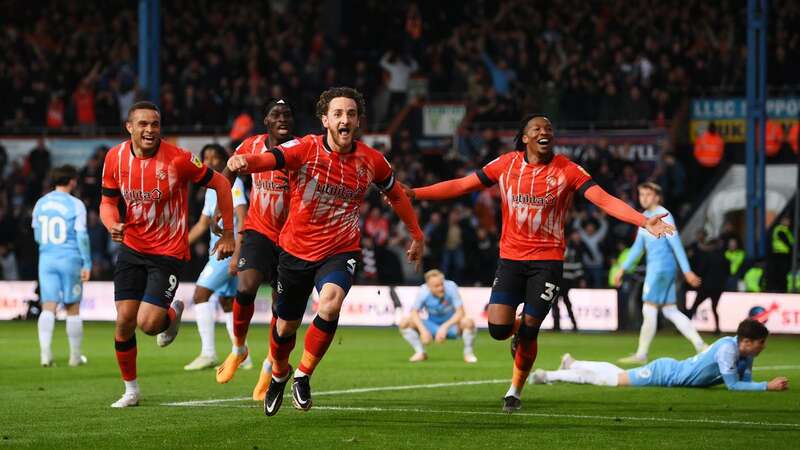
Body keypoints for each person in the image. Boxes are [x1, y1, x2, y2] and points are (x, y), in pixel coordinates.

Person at [405, 114, 675, 413]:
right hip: (510, 259)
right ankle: (517, 327)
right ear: (525, 137)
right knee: (497, 329)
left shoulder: (567, 170)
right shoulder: (506, 164)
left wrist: (642, 220)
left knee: (531, 330)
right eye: (537, 128)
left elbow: (604, 199)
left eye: (549, 128)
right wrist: (417, 193)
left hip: (547, 261)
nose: (544, 132)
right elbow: (463, 185)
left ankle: (514, 390)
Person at [227, 87, 425, 416]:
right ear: (325, 120)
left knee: (330, 303)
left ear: (358, 121)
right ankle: (279, 373)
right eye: (338, 114)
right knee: (284, 327)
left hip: (340, 248)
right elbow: (272, 158)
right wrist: (246, 161)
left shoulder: (372, 159)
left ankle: (303, 375)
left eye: (350, 114)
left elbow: (398, 195)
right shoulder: (304, 148)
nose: (344, 119)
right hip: (294, 250)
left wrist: (416, 235)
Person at [100, 101, 235, 408]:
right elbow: (107, 202)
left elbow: (222, 184)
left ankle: (171, 315)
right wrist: (112, 224)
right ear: (129, 127)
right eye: (144, 124)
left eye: (155, 124)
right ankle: (131, 391)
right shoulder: (114, 158)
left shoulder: (178, 160)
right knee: (123, 321)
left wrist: (228, 233)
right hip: (132, 247)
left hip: (167, 251)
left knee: (148, 324)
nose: (150, 130)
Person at [213, 100, 296, 404]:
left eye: (287, 114)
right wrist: (222, 210)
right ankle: (238, 349)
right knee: (245, 288)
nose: (282, 118)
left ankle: (270, 365)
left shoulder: (301, 150)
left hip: (292, 239)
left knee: (282, 309)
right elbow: (227, 174)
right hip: (259, 231)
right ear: (266, 121)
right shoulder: (251, 144)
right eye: (276, 114)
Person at [530, 319, 789, 392]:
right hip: (665, 373)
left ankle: (573, 363)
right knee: (609, 380)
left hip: (672, 370)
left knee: (614, 374)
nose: (763, 347)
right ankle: (548, 375)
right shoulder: (727, 349)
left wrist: (758, 385)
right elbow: (734, 386)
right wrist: (767, 386)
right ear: (746, 341)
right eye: (760, 343)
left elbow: (745, 379)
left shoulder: (744, 351)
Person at [614, 182, 705, 364]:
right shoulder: (645, 218)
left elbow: (676, 244)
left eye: (648, 194)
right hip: (663, 269)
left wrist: (687, 271)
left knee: (649, 308)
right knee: (670, 310)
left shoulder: (664, 216)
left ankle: (641, 354)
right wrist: (622, 268)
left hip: (659, 269)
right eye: (641, 195)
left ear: (657, 197)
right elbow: (637, 248)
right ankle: (701, 346)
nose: (644, 198)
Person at [183, 144, 251, 371]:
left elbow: (243, 219)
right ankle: (242, 355)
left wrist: (237, 257)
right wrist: (177, 246)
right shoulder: (212, 189)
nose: (210, 162)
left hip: (227, 253)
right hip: (221, 252)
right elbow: (203, 225)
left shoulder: (235, 184)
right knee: (227, 303)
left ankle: (208, 353)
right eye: (206, 158)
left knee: (200, 294)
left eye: (215, 157)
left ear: (225, 160)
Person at [32, 165, 92, 367]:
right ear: (73, 181)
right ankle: (75, 356)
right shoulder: (76, 204)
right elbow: (82, 235)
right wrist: (87, 262)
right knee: (72, 307)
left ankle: (45, 354)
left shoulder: (41, 203)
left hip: (47, 258)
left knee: (48, 306)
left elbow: (37, 235)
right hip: (70, 258)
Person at [398, 269, 477, 363]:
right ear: (429, 286)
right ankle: (420, 352)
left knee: (468, 322)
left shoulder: (451, 286)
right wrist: (423, 331)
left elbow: (460, 312)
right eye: (436, 286)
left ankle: (468, 353)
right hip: (432, 325)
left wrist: (444, 327)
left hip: (451, 326)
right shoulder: (423, 292)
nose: (441, 288)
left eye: (442, 284)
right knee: (404, 323)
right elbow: (414, 313)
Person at [687, 237, 728, 334]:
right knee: (714, 308)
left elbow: (701, 271)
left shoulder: (708, 257)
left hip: (706, 287)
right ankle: (717, 329)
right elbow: (727, 272)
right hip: (718, 288)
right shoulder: (724, 258)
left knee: (694, 306)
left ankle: (685, 328)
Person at [553, 230, 584, 331]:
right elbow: (577, 266)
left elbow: (576, 266)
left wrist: (580, 278)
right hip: (565, 279)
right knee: (564, 302)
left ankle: (557, 326)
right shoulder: (571, 249)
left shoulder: (562, 249)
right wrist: (580, 278)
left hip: (561, 279)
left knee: (556, 303)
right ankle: (573, 325)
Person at [766, 216, 794, 293]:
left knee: (782, 274)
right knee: (780, 273)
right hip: (779, 255)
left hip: (784, 255)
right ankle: (780, 289)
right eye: (786, 221)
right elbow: (788, 242)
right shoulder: (780, 229)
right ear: (782, 221)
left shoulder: (787, 231)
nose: (788, 223)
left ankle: (781, 289)